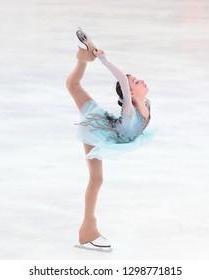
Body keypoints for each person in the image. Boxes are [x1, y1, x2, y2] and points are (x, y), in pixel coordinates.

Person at [66, 28, 154, 252]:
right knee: (96, 179)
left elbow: (126, 86)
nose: (140, 81)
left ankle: (82, 59)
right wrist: (104, 59)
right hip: (96, 129)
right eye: (135, 81)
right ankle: (88, 229)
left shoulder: (146, 105)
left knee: (74, 86)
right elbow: (122, 82)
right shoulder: (129, 111)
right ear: (130, 94)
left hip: (104, 123)